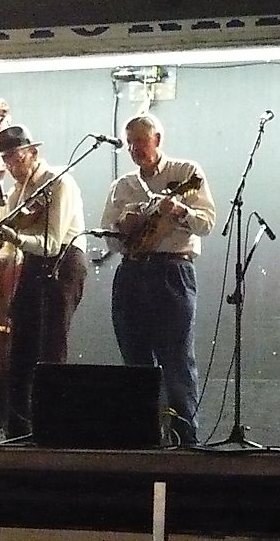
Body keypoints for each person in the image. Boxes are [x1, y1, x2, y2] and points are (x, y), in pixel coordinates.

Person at [101, 113, 215, 446]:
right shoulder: (122, 186)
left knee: (176, 359)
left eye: (140, 141)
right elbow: (109, 239)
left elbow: (207, 224)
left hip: (171, 271)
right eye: (129, 143)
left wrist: (179, 211)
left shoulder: (186, 172)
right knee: (134, 359)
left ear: (158, 140)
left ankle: (185, 441)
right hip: (131, 272)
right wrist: (123, 225)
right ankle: (143, 438)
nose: (134, 149)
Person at [0, 124, 88, 438]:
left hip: (63, 262)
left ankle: (52, 429)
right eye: (6, 159)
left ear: (33, 152)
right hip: (33, 265)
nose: (11, 165)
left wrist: (15, 237)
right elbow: (12, 248)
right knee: (21, 346)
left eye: (16, 157)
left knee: (51, 346)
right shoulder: (15, 193)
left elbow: (52, 243)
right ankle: (18, 430)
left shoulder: (58, 182)